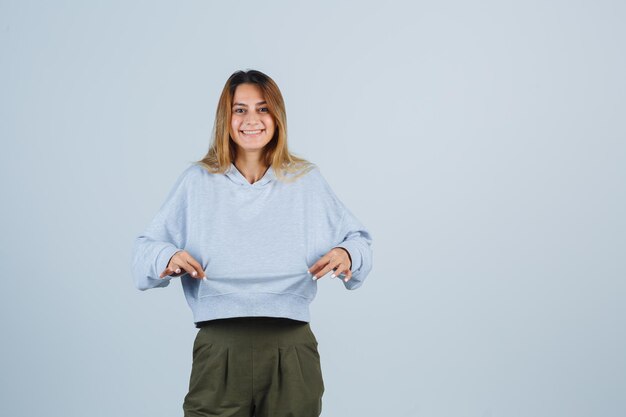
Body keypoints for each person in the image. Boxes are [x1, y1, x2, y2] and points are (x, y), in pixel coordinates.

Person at [131, 69, 374, 417]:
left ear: (277, 117)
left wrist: (346, 253)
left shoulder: (305, 180)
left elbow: (360, 241)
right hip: (219, 348)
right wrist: (167, 256)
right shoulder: (197, 181)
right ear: (225, 118)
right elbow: (144, 251)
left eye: (263, 109)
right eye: (240, 109)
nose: (251, 120)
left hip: (291, 349)